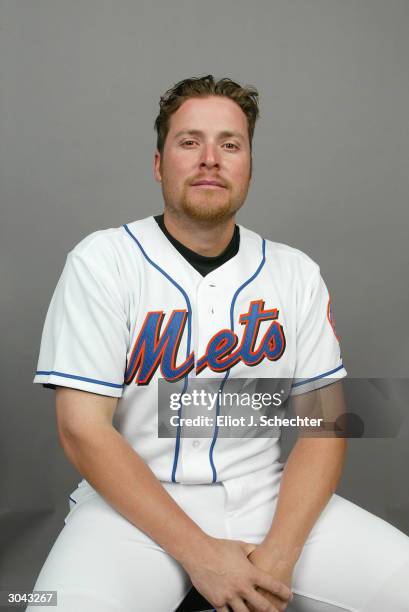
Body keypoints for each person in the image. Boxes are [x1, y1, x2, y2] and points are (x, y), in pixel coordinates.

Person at [30, 75, 409, 612]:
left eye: (230, 144)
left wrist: (280, 555)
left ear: (249, 165)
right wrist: (203, 557)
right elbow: (81, 430)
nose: (211, 158)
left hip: (268, 499)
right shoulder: (103, 261)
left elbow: (325, 426)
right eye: (190, 142)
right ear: (160, 164)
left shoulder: (295, 272)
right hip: (129, 512)